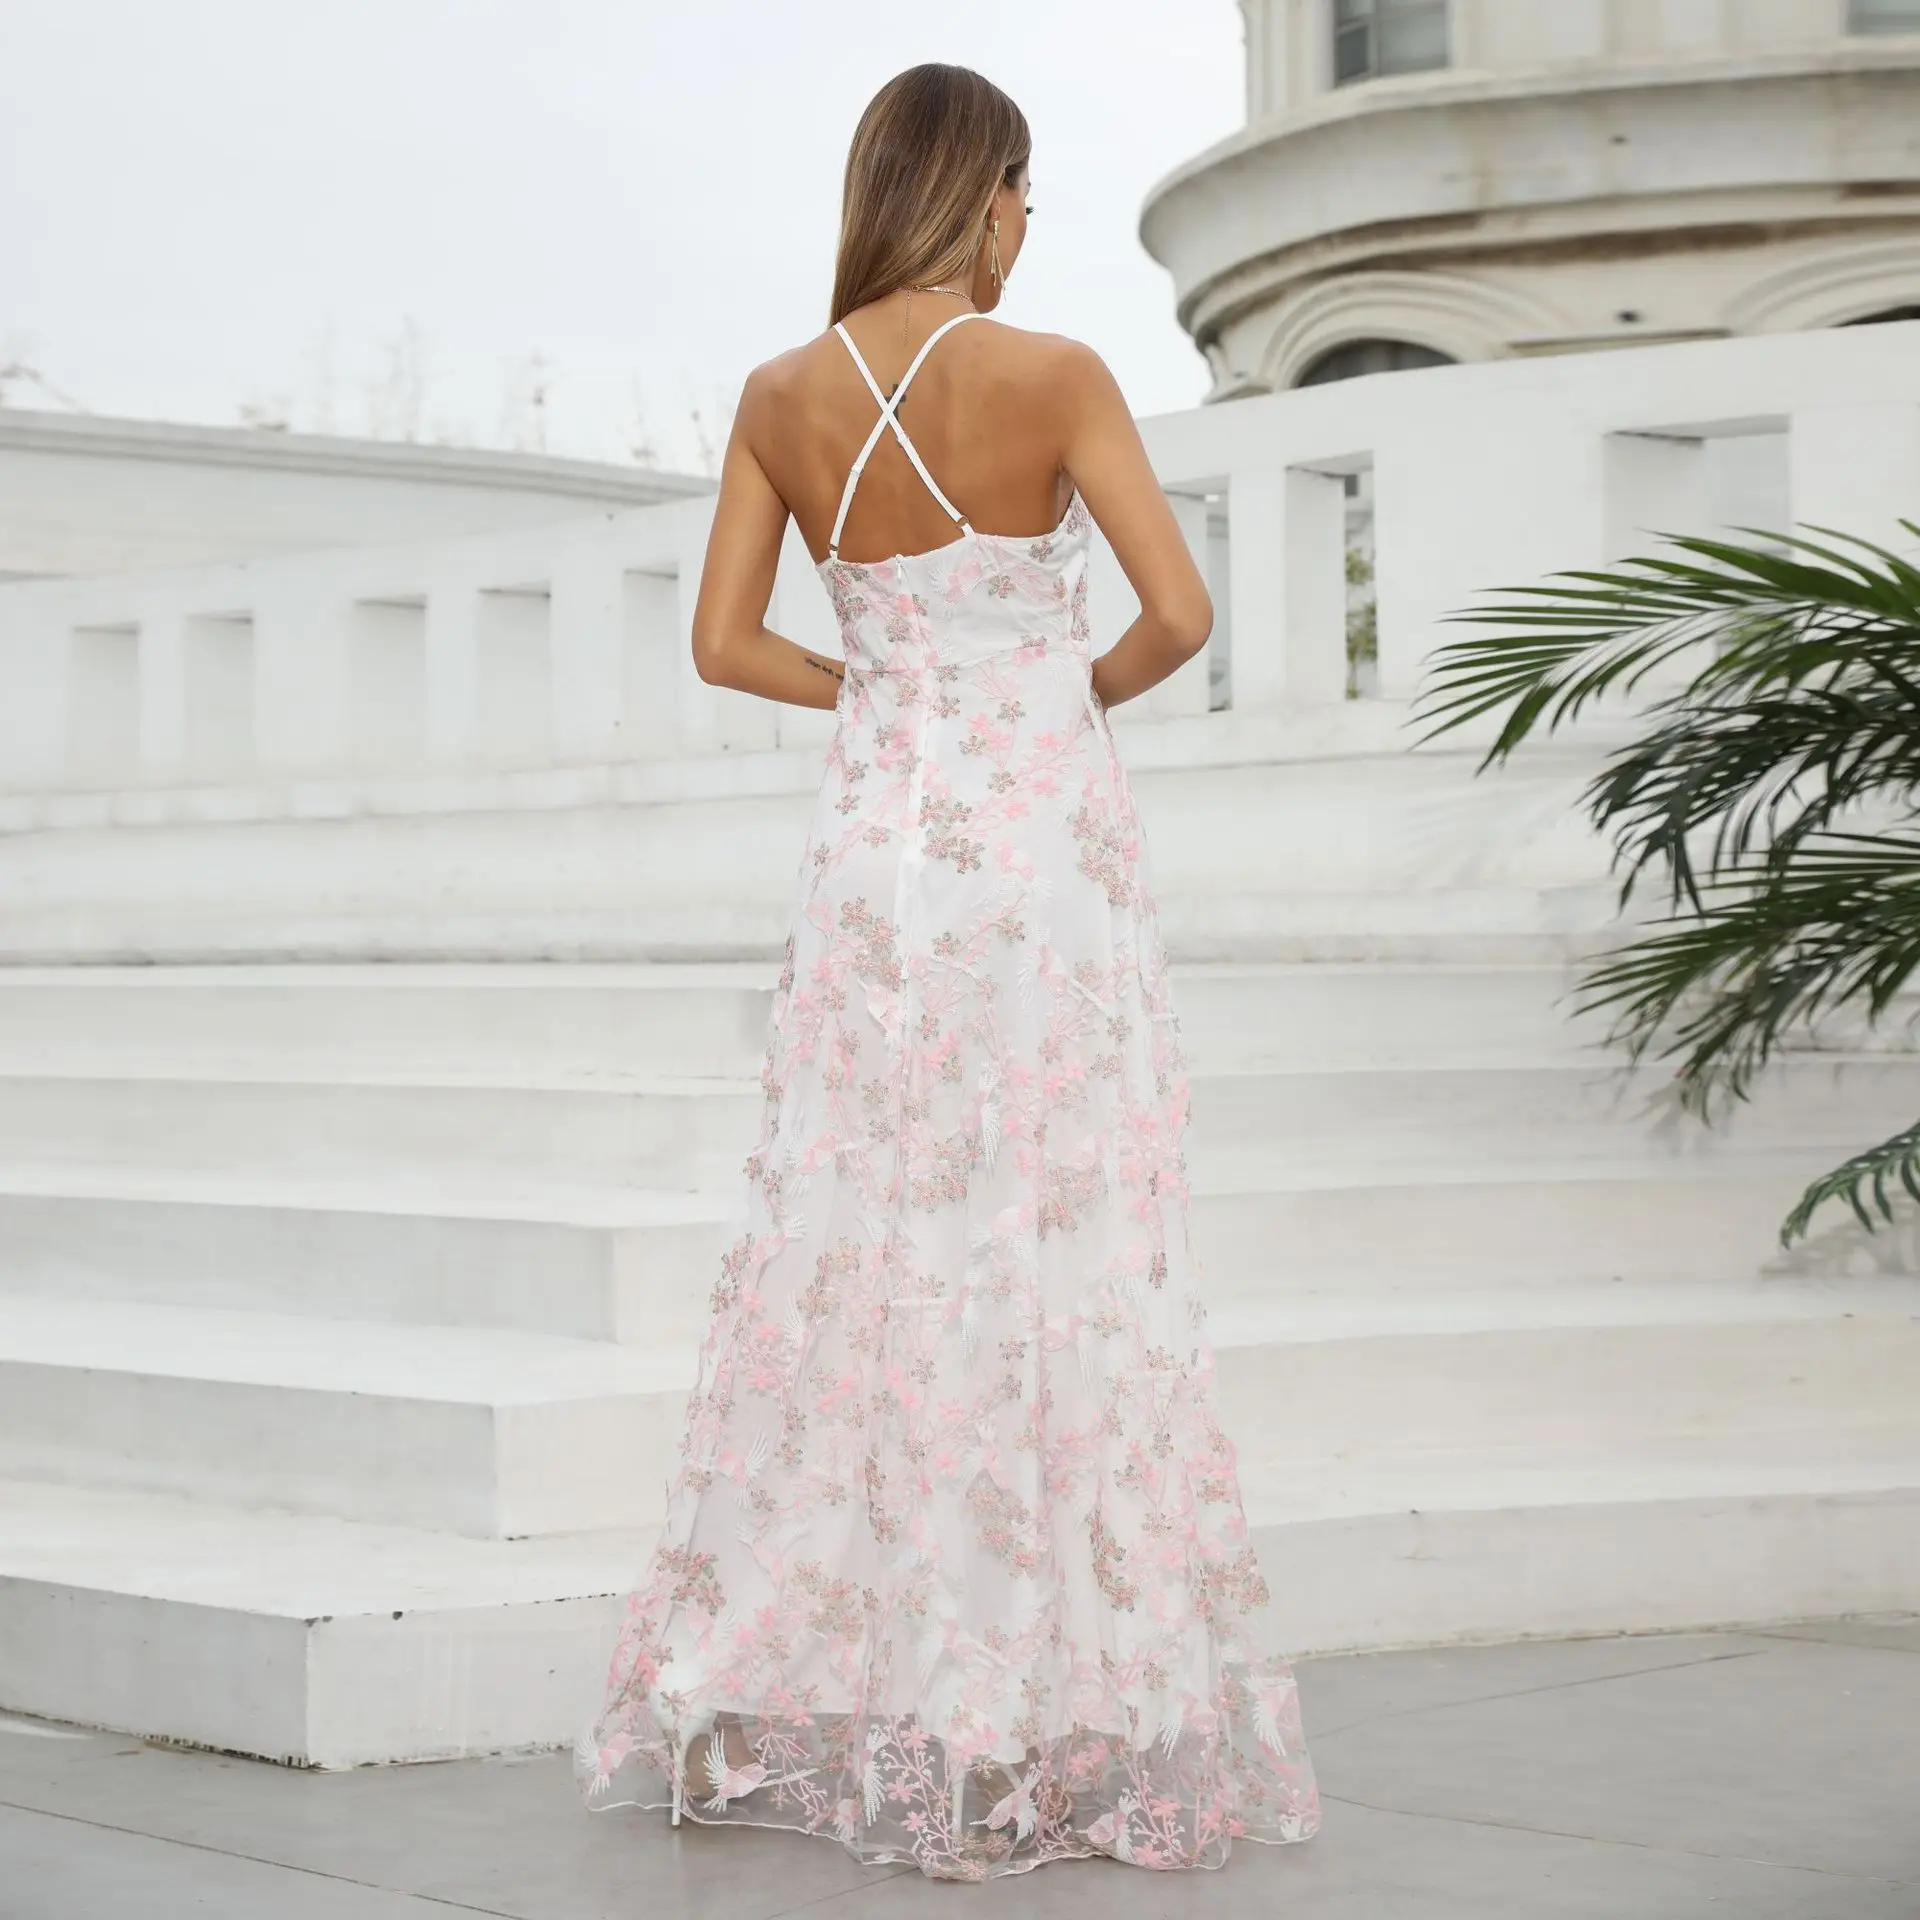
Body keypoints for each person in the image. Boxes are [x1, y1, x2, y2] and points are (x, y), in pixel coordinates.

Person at [577, 61, 1320, 1882]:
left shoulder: (777, 393)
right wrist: (1043, 708)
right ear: (978, 193)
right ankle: (1038, 1696)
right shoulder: (1054, 375)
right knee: (1047, 1226)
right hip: (1040, 862)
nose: (1026, 226)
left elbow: (726, 642)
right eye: (1024, 194)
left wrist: (891, 696)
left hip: (877, 862)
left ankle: (793, 1671)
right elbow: (1179, 616)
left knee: (863, 1234)